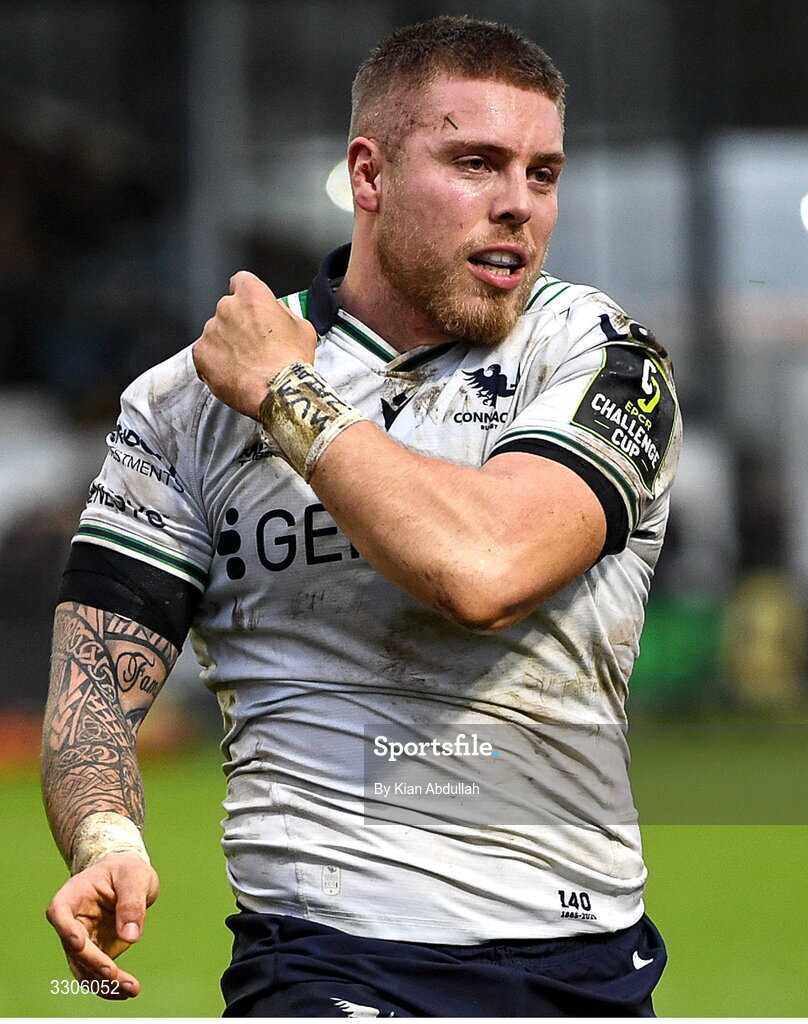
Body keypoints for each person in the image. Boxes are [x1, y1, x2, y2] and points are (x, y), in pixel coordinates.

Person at [42, 14, 681, 1018]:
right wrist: (104, 842)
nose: (517, 205)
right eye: (476, 163)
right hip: (322, 957)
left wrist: (285, 395)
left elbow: (485, 570)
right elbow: (90, 693)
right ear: (370, 175)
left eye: (543, 174)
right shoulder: (184, 402)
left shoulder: (604, 359)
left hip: (579, 957)